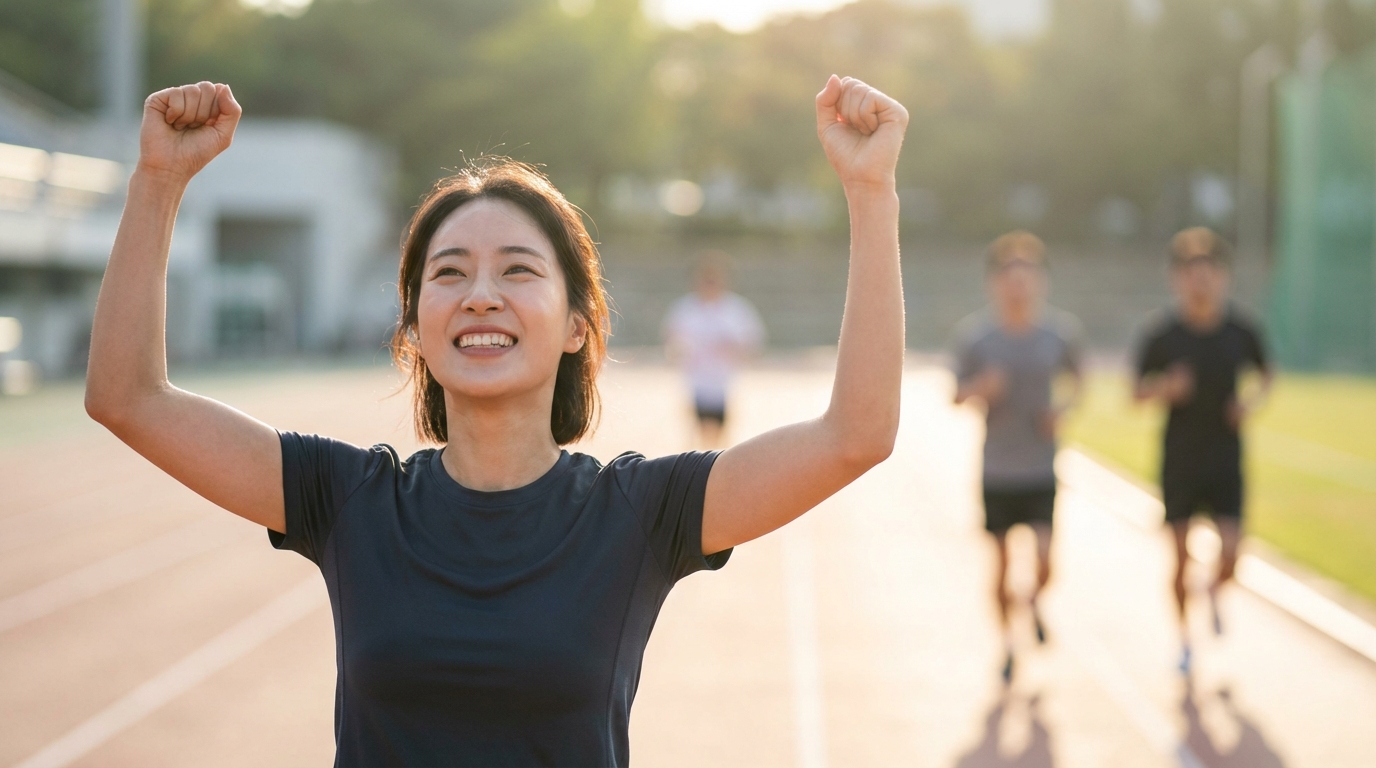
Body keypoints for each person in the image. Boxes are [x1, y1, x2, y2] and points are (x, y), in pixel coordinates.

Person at [83, 76, 908, 766]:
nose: (480, 295)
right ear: (414, 327)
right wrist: (157, 180)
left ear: (578, 324)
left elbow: (855, 436)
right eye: (449, 273)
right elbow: (127, 398)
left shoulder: (640, 514)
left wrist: (871, 193)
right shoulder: (347, 499)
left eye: (517, 270)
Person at [1134, 227, 1272, 675]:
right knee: (1179, 556)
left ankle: (1213, 589)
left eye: (1209, 272)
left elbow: (1266, 375)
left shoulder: (1240, 330)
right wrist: (1165, 388)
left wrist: (1249, 403)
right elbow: (1135, 392)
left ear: (1222, 277)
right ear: (1177, 279)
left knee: (1231, 554)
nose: (1201, 281)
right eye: (1191, 273)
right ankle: (1184, 638)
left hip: (1225, 456)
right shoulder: (1163, 334)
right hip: (1180, 459)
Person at [952, 231, 1083, 684]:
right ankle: (1008, 641)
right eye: (1010, 276)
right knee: (1002, 564)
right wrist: (980, 389)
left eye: (1027, 275)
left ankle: (1031, 601)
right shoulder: (978, 338)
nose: (1018, 285)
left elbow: (1079, 381)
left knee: (1045, 560)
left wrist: (1062, 410)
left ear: (1041, 281)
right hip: (998, 468)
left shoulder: (1058, 334)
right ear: (994, 283)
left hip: (1041, 466)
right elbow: (955, 394)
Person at [662, 251, 766, 447]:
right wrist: (681, 352)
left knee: (720, 432)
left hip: (724, 382)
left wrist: (732, 349)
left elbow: (753, 346)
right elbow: (670, 343)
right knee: (697, 428)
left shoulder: (736, 310)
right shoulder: (685, 309)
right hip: (695, 381)